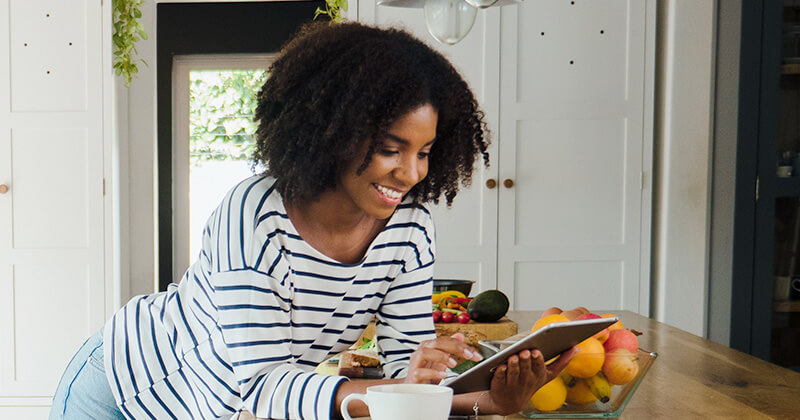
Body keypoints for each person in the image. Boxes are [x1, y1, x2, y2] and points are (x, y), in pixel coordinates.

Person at [50, 22, 577, 420]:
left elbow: (402, 374)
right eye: (391, 149)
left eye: (425, 152)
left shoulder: (409, 228)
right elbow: (262, 386)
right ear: (334, 131)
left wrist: (492, 399)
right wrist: (415, 393)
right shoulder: (256, 215)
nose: (411, 172)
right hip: (126, 383)